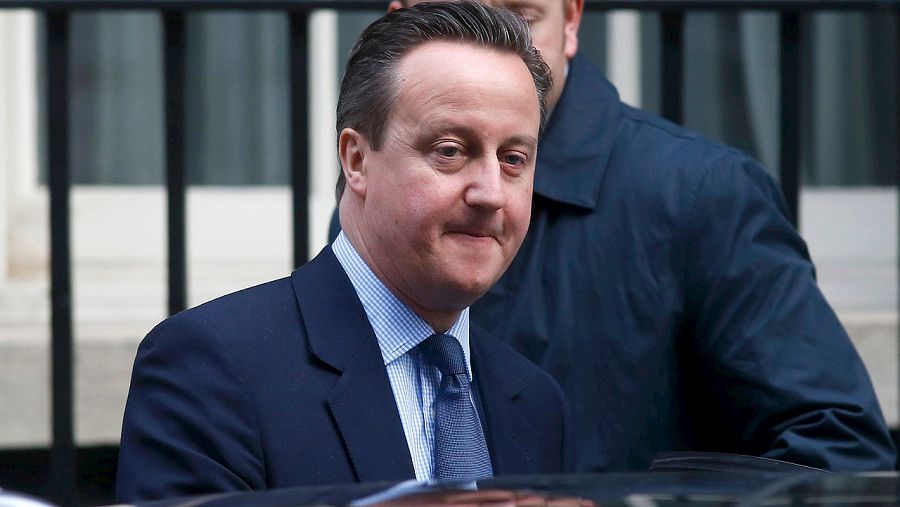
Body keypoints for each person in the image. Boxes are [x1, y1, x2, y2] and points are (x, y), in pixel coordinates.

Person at [329, 0, 897, 472]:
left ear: (572, 22)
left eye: (520, 21)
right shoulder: (383, 194)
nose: (487, 51)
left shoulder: (701, 194)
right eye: (456, 18)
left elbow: (838, 452)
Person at [117, 2, 571, 502]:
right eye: (450, 150)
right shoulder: (211, 369)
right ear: (357, 160)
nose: (489, 192)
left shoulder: (534, 401)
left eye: (513, 159)